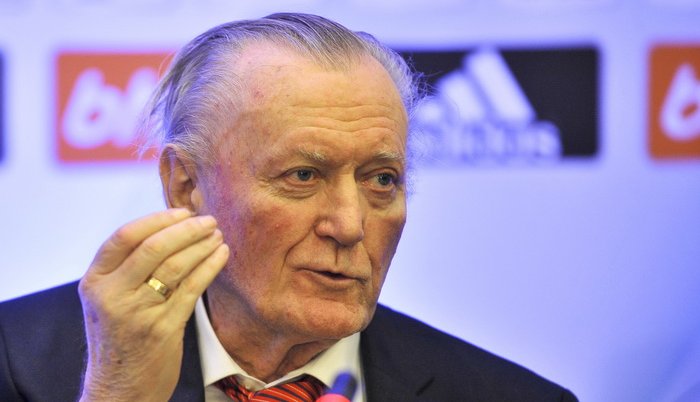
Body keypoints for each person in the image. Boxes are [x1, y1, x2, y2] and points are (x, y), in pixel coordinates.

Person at [0, 13, 577, 402]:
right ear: (185, 185)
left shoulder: (510, 396)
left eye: (381, 180)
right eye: (303, 176)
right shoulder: (16, 364)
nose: (349, 226)